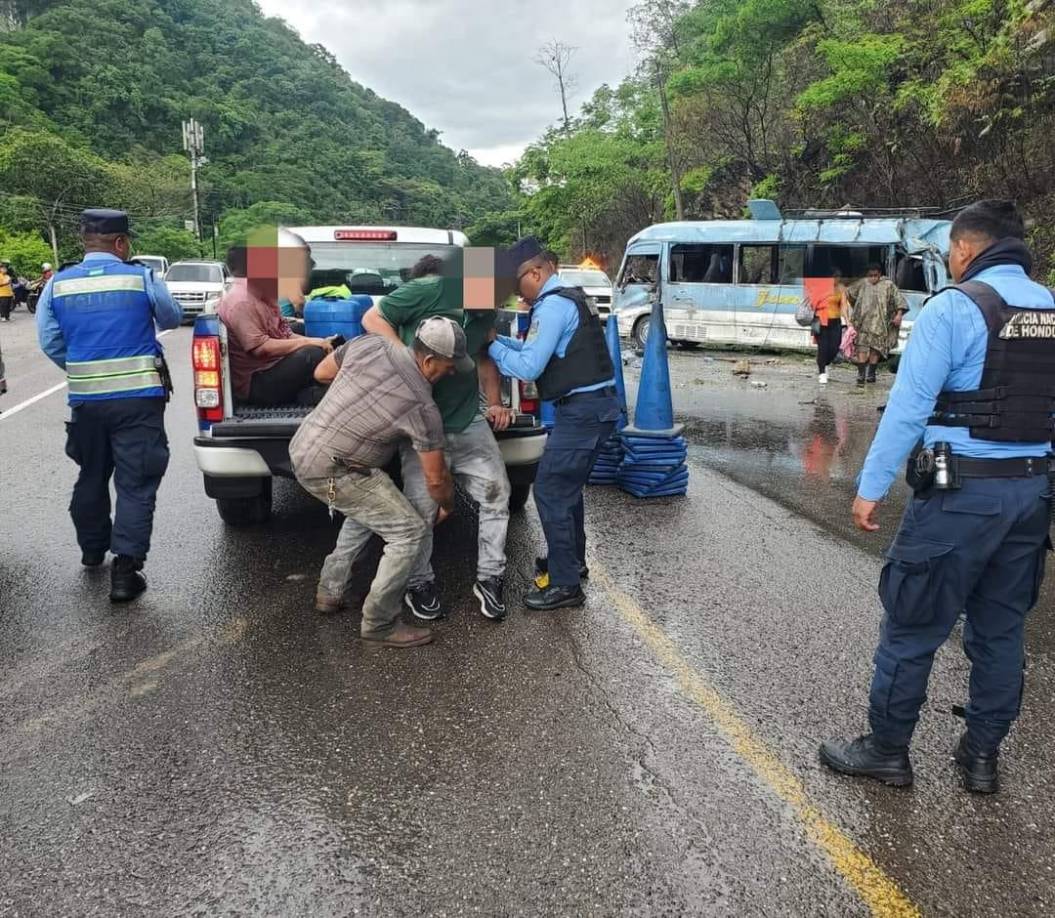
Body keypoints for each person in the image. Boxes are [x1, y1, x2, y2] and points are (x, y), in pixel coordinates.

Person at [819, 200, 1055, 794]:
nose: (951, 260)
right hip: (1032, 493)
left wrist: (869, 488)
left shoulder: (955, 308)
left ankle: (887, 751)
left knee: (912, 624)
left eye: (952, 251)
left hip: (962, 496)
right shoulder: (1051, 308)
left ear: (967, 249)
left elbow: (908, 408)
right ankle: (980, 758)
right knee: (1001, 631)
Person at [36, 208, 182, 602]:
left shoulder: (57, 284)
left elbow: (49, 340)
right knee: (135, 483)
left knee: (91, 473)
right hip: (138, 400)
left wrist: (83, 367)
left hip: (86, 400)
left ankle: (91, 550)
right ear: (120, 243)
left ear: (86, 242)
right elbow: (171, 316)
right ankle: (125, 572)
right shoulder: (141, 277)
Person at [291, 316, 463, 649]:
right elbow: (435, 477)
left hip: (304, 447)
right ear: (428, 360)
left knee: (372, 508)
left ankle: (331, 591)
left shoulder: (370, 343)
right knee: (408, 531)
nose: (452, 372)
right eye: (449, 365)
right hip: (334, 470)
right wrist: (447, 504)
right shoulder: (423, 407)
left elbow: (322, 373)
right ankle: (380, 622)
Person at [361, 253, 514, 622]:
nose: (493, 306)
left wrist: (495, 403)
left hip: (467, 420)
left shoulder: (487, 313)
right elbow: (371, 318)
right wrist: (405, 363)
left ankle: (490, 578)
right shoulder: (428, 291)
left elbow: (484, 357)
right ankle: (420, 583)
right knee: (422, 509)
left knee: (498, 494)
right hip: (420, 422)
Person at [489, 237, 620, 611]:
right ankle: (571, 563)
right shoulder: (570, 298)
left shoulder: (553, 306)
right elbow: (535, 352)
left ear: (536, 272)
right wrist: (498, 339)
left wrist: (490, 348)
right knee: (567, 489)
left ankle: (565, 585)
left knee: (550, 489)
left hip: (583, 413)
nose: (520, 293)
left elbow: (529, 367)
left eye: (520, 285)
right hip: (592, 410)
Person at [216, 234, 333, 407]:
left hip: (271, 367)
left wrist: (317, 340)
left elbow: (284, 333)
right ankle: (309, 395)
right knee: (312, 353)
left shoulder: (263, 293)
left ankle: (308, 392)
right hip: (257, 383)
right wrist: (311, 343)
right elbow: (261, 348)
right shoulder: (241, 301)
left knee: (307, 334)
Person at [848, 264, 908, 386]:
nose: (873, 278)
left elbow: (899, 300)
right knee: (862, 348)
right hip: (863, 323)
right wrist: (856, 308)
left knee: (876, 349)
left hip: (879, 323)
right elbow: (849, 294)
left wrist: (899, 314)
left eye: (875, 275)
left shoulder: (888, 285)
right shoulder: (862, 284)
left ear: (880, 275)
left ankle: (871, 374)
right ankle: (861, 374)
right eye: (870, 276)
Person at [812, 270, 848, 385]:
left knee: (834, 347)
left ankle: (825, 364)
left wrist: (847, 320)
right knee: (823, 347)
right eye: (834, 277)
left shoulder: (841, 288)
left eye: (838, 278)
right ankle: (822, 372)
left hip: (835, 320)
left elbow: (843, 305)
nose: (836, 280)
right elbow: (813, 303)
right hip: (820, 320)